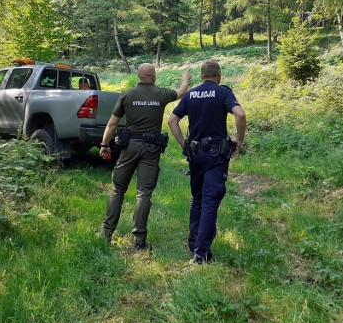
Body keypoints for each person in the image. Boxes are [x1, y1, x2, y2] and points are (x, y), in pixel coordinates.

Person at [99, 63, 191, 251]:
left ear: (139, 76)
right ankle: (139, 241)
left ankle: (106, 233)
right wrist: (185, 78)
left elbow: (112, 124)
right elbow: (181, 93)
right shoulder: (161, 94)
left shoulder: (127, 95)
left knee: (117, 190)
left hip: (129, 148)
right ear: (153, 76)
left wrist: (104, 145)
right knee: (144, 193)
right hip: (150, 149)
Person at [168, 60, 246, 264]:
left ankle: (194, 243)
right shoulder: (222, 92)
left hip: (195, 155)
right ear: (218, 74)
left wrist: (184, 144)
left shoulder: (191, 94)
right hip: (215, 156)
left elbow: (172, 121)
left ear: (202, 75)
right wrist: (239, 140)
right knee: (210, 202)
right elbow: (240, 114)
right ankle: (200, 254)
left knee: (197, 199)